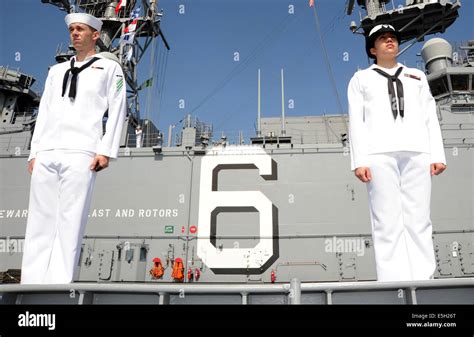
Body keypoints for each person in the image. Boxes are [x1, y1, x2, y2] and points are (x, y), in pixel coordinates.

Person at [21, 13, 127, 284]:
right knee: (39, 220)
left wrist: (105, 150)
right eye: (72, 30)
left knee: (70, 220)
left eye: (81, 29)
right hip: (48, 152)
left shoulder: (109, 68)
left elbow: (117, 108)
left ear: (95, 35)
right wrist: (36, 152)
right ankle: (32, 282)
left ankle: (57, 283)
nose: (75, 34)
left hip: (82, 151)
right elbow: (44, 112)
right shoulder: (56, 72)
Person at [347, 24, 446, 281]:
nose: (389, 41)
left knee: (419, 218)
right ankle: (392, 282)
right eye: (382, 39)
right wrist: (360, 160)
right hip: (379, 153)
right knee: (386, 221)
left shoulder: (416, 76)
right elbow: (356, 121)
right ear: (372, 49)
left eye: (393, 37)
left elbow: (429, 116)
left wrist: (437, 155)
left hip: (417, 151)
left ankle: (424, 279)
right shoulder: (361, 79)